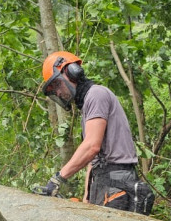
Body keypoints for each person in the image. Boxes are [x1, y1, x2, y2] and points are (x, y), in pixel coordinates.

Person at [33, 51, 139, 211]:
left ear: (72, 72)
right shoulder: (87, 105)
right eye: (54, 90)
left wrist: (58, 178)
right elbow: (94, 158)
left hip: (117, 180)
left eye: (57, 85)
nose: (58, 93)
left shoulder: (96, 95)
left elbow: (91, 146)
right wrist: (87, 197)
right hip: (104, 180)